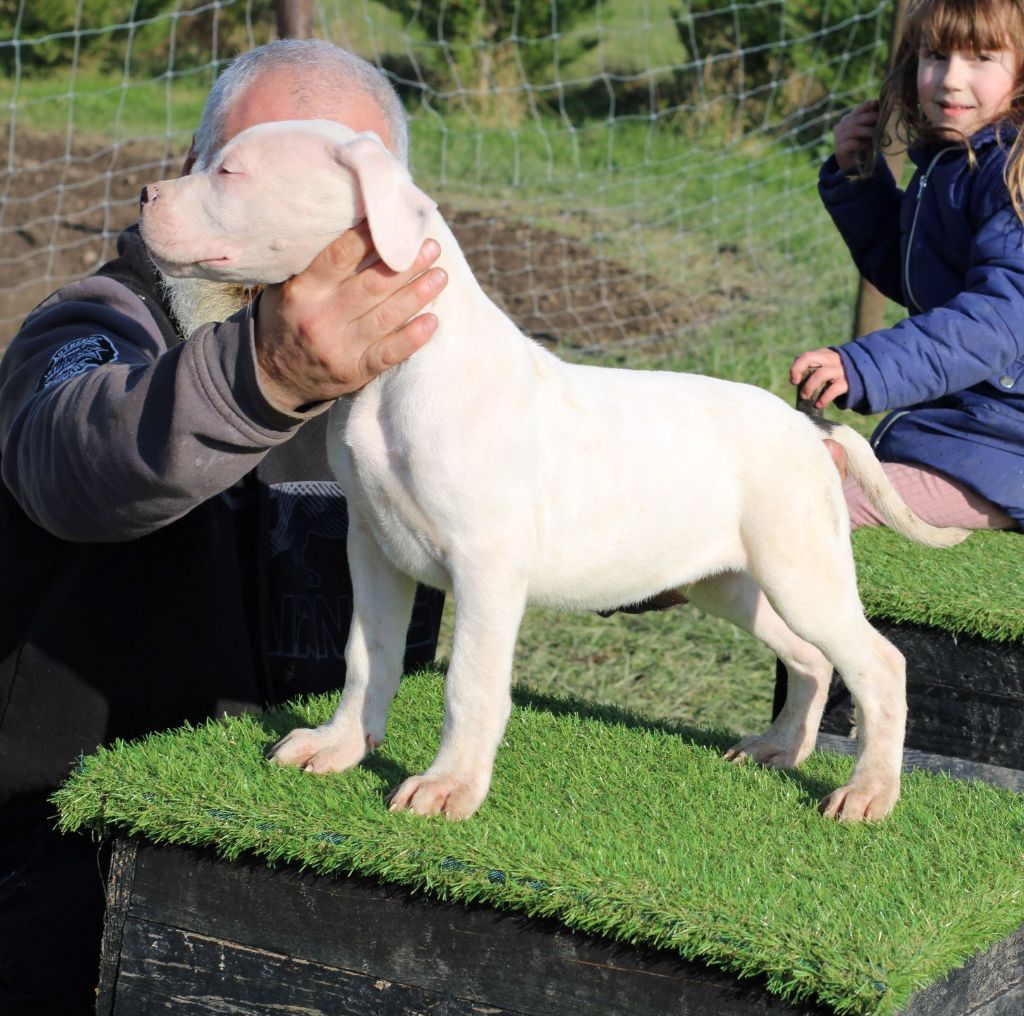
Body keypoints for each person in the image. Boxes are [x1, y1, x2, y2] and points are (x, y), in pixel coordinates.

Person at [0, 39, 449, 1014]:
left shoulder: (432, 377)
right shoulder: (93, 324)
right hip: (68, 844)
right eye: (248, 170)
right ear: (198, 169)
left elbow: (550, 499)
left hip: (328, 829)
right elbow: (69, 455)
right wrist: (265, 376)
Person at [791, 0, 1024, 533]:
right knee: (786, 469)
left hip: (1007, 442)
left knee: (809, 512)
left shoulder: (1016, 173)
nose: (951, 78)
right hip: (970, 422)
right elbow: (920, 277)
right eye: (936, 55)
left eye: (982, 57)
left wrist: (863, 367)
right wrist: (859, 180)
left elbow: (995, 321)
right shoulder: (955, 158)